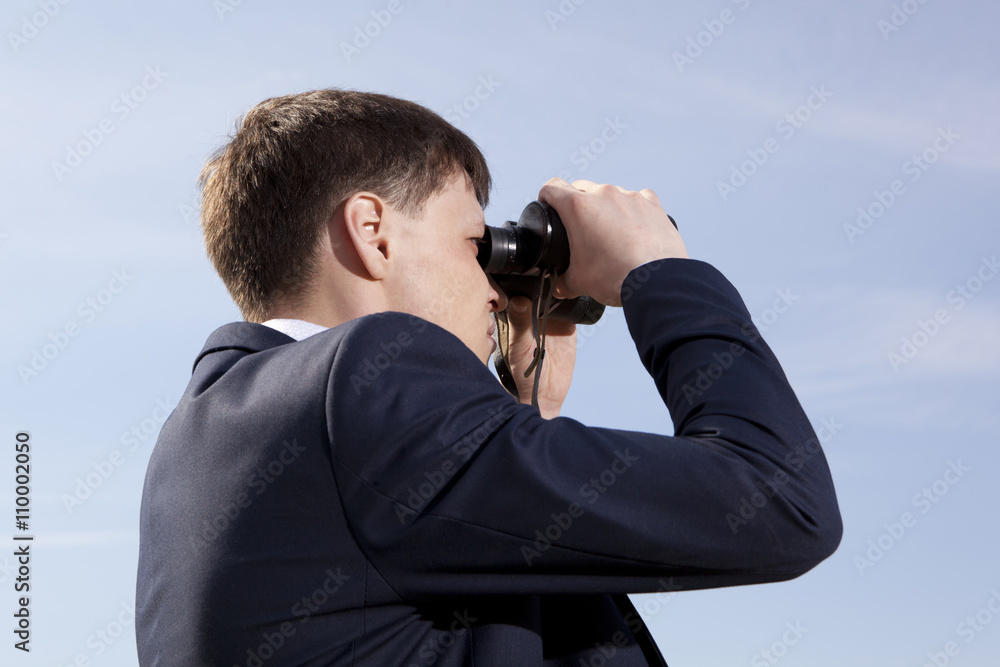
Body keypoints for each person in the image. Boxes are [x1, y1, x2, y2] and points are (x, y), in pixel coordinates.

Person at [135, 89, 842, 666]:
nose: (496, 290)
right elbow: (779, 500)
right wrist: (661, 272)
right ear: (372, 231)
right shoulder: (367, 379)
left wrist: (521, 418)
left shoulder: (199, 441)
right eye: (477, 246)